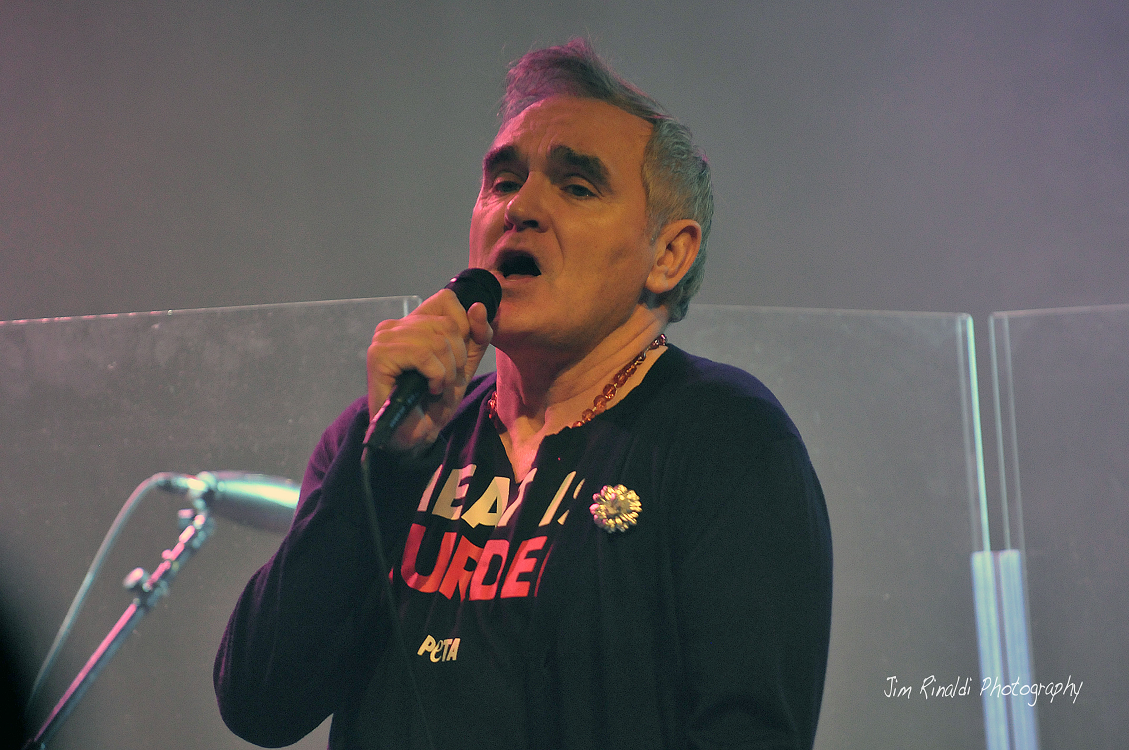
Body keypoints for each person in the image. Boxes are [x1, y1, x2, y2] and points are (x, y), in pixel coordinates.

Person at [214, 39, 832, 750]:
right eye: (504, 181)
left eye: (577, 187)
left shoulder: (725, 439)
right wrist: (383, 464)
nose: (522, 207)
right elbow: (261, 703)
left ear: (668, 255)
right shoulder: (386, 439)